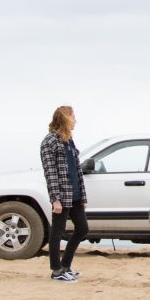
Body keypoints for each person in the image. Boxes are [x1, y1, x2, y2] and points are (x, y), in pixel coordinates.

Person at [40, 105, 90, 283]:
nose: (75, 120)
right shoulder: (49, 141)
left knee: (83, 229)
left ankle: (66, 266)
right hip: (62, 195)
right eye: (73, 117)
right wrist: (55, 199)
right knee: (57, 232)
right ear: (65, 119)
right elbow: (50, 172)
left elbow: (77, 171)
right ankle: (56, 271)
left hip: (75, 195)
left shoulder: (69, 141)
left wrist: (82, 197)